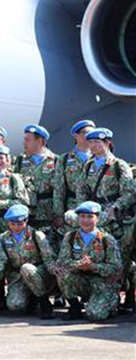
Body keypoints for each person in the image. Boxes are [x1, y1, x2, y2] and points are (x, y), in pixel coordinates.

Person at [74, 127, 135, 312]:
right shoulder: (89, 166)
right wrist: (84, 210)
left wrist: (115, 208)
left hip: (115, 219)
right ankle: (103, 296)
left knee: (121, 260)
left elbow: (129, 193)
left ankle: (127, 297)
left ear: (107, 143)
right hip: (94, 218)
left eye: (97, 142)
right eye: (91, 142)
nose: (93, 146)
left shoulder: (118, 165)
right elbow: (81, 190)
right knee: (99, 257)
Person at [56, 201, 122, 322]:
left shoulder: (107, 239)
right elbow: (62, 262)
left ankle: (112, 300)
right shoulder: (70, 237)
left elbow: (116, 268)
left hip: (101, 283)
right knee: (62, 273)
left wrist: (94, 266)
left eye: (90, 217)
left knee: (95, 315)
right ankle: (74, 306)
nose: (85, 220)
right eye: (82, 216)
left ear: (98, 218)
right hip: (81, 279)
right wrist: (79, 265)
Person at [0, 204, 56, 319]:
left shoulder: (36, 235)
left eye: (20, 224)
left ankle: (44, 301)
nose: (16, 227)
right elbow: (1, 261)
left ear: (26, 221)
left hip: (38, 274)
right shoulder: (3, 238)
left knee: (26, 268)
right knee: (15, 306)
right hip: (17, 276)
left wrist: (54, 271)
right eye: (12, 224)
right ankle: (31, 299)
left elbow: (48, 257)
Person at [52, 120, 95, 221]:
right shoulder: (64, 159)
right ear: (76, 135)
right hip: (73, 208)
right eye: (87, 133)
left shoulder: (99, 158)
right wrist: (59, 215)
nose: (90, 137)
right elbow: (59, 188)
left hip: (94, 207)